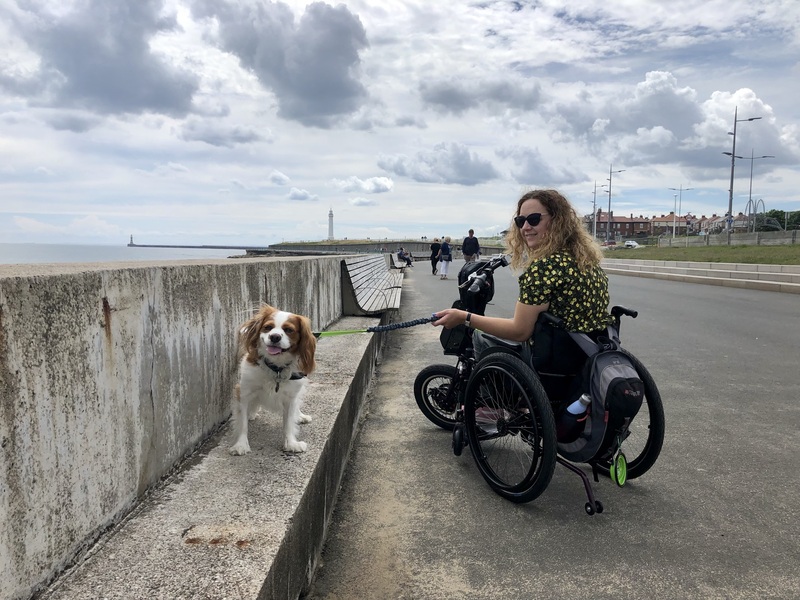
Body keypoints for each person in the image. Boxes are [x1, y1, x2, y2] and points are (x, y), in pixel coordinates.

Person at [432, 189, 610, 363]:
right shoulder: (586, 261)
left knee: (479, 334)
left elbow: (520, 331)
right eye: (520, 221)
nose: (525, 227)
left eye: (534, 219)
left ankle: (488, 392)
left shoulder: (545, 267)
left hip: (555, 359)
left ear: (557, 221)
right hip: (587, 352)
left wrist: (464, 317)